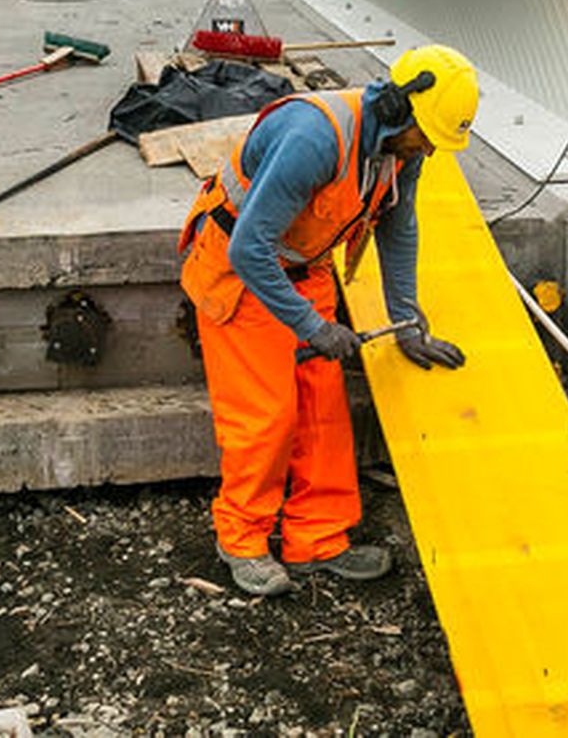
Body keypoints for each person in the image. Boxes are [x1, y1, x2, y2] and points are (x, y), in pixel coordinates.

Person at [177, 44, 479, 596]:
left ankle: (316, 539)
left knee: (321, 403)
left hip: (303, 266)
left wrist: (408, 322)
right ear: (399, 108)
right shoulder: (314, 140)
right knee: (264, 413)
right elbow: (249, 249)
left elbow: (398, 226)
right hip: (239, 271)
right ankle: (241, 539)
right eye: (428, 135)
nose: (432, 150)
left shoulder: (402, 150)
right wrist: (314, 327)